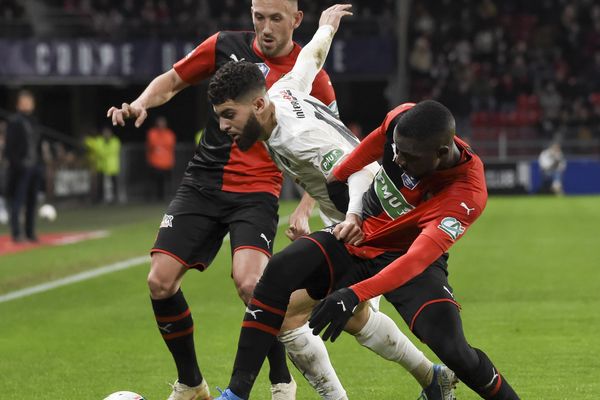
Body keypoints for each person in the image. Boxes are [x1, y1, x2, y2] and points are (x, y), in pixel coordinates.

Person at [209, 6, 457, 400]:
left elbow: (354, 171)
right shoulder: (281, 93)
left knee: (288, 313)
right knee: (354, 317)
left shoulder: (299, 138)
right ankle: (433, 378)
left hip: (372, 222)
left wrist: (354, 216)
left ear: (256, 106)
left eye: (228, 116)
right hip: (361, 218)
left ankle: (410, 381)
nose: (224, 128)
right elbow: (309, 60)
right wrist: (326, 27)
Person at [106, 1, 337, 399]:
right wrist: (142, 102)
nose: (265, 27)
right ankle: (191, 384)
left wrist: (305, 206)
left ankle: (281, 381)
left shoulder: (312, 75)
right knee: (159, 282)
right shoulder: (224, 45)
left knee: (253, 285)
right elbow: (173, 79)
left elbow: (326, 148)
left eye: (275, 18)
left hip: (258, 190)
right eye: (258, 17)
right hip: (202, 182)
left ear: (297, 20)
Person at [216, 100, 521, 400]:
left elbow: (415, 260)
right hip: (359, 239)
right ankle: (236, 394)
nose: (398, 159)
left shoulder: (466, 195)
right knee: (280, 269)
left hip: (410, 260)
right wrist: (340, 175)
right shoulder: (402, 121)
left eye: (409, 156)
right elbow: (374, 143)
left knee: (455, 352)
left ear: (441, 153)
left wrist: (353, 294)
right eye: (397, 150)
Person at [4, 90, 43, 243]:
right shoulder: (14, 122)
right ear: (18, 104)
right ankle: (16, 233)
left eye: (30, 101)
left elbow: (36, 145)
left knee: (32, 202)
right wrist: (19, 165)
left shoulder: (33, 122)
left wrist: (40, 165)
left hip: (34, 167)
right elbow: (10, 148)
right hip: (20, 169)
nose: (28, 104)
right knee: (17, 202)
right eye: (25, 101)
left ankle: (30, 233)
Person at [146, 116, 176, 201]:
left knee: (166, 182)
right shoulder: (152, 133)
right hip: (155, 163)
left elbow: (170, 145)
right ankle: (154, 198)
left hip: (167, 163)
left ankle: (166, 197)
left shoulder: (170, 134)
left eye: (162, 122)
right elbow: (151, 145)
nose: (161, 125)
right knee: (155, 182)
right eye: (159, 122)